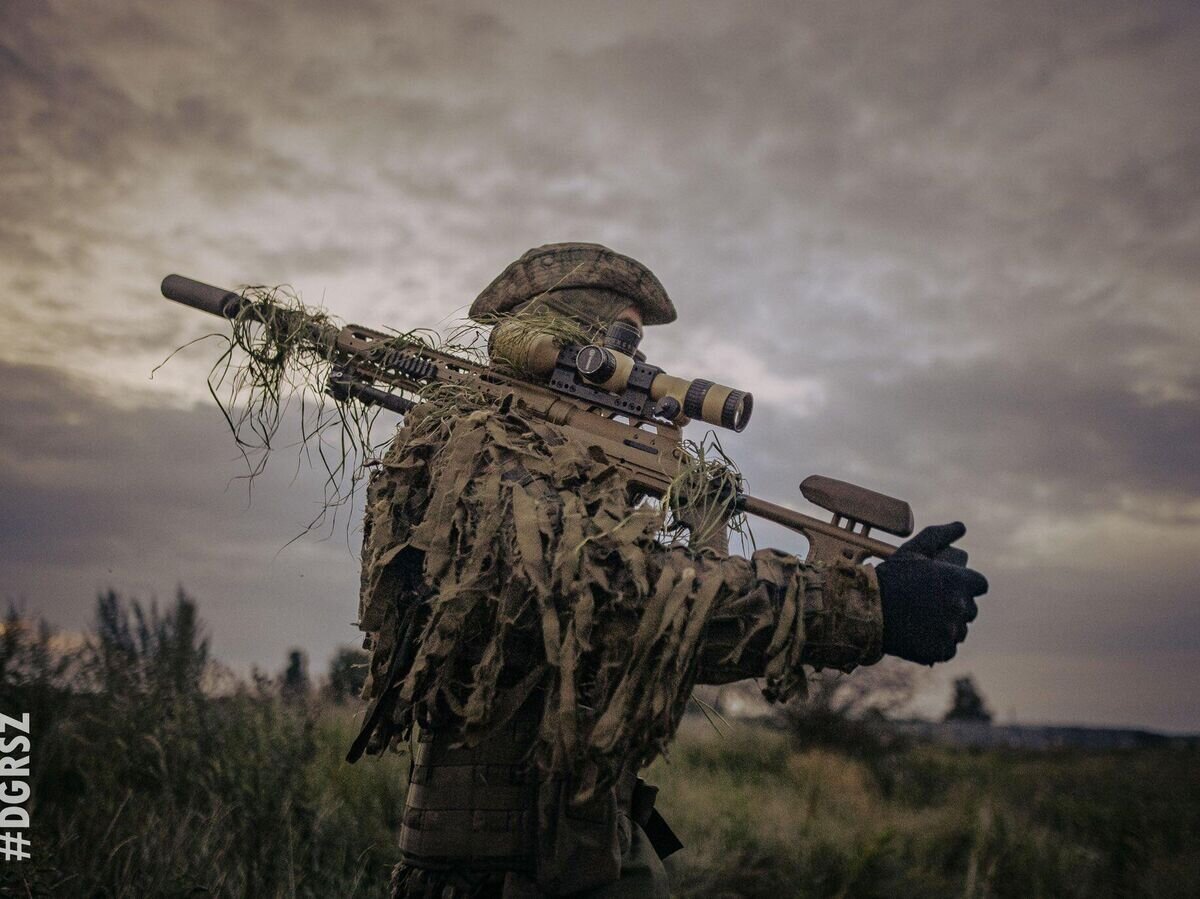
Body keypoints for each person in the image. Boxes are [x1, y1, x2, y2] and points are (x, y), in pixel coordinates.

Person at [353, 243, 988, 898]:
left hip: (578, 855)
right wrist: (864, 605)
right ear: (568, 343)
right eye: (623, 339)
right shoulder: (483, 447)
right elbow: (623, 604)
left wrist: (709, 531)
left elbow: (656, 633)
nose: (640, 368)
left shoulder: (551, 464)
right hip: (495, 873)